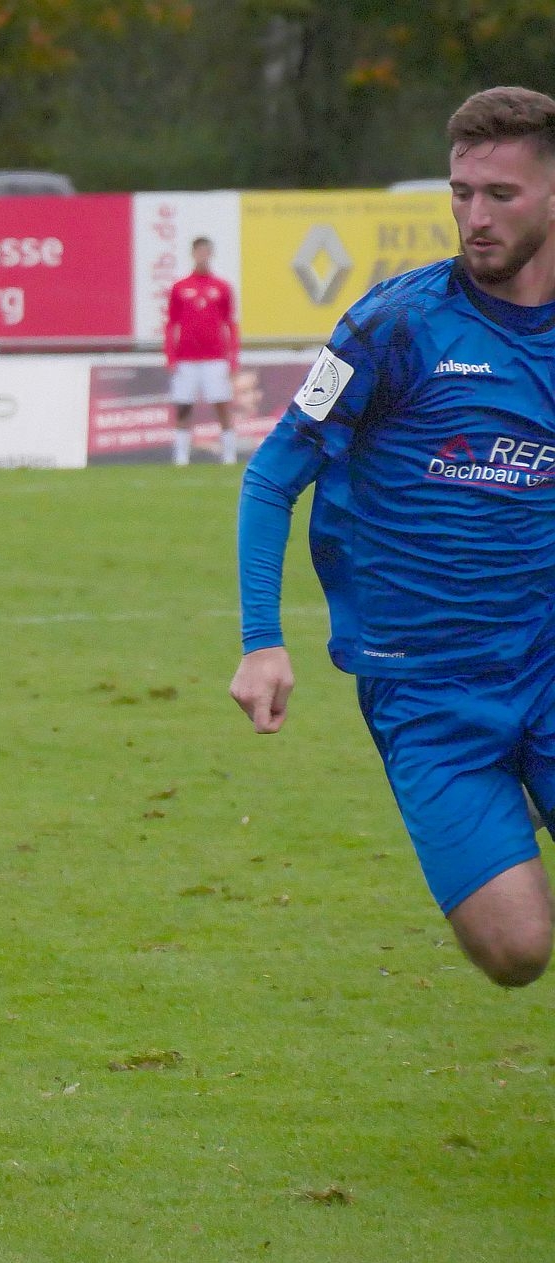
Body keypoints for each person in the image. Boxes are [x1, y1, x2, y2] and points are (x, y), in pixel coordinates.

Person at [230, 86, 555, 988]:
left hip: (546, 659)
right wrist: (261, 640)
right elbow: (271, 477)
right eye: (462, 192)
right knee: (516, 951)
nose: (475, 217)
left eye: (501, 195)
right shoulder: (394, 327)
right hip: (427, 688)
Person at [165, 236, 241, 465]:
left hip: (215, 358)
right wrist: (170, 355)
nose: (202, 256)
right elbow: (171, 323)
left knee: (221, 404)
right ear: (193, 254)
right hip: (186, 358)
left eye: (206, 252)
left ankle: (229, 456)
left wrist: (233, 357)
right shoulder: (180, 287)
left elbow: (230, 323)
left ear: (211, 254)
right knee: (183, 406)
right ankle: (181, 458)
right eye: (199, 252)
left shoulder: (222, 287)